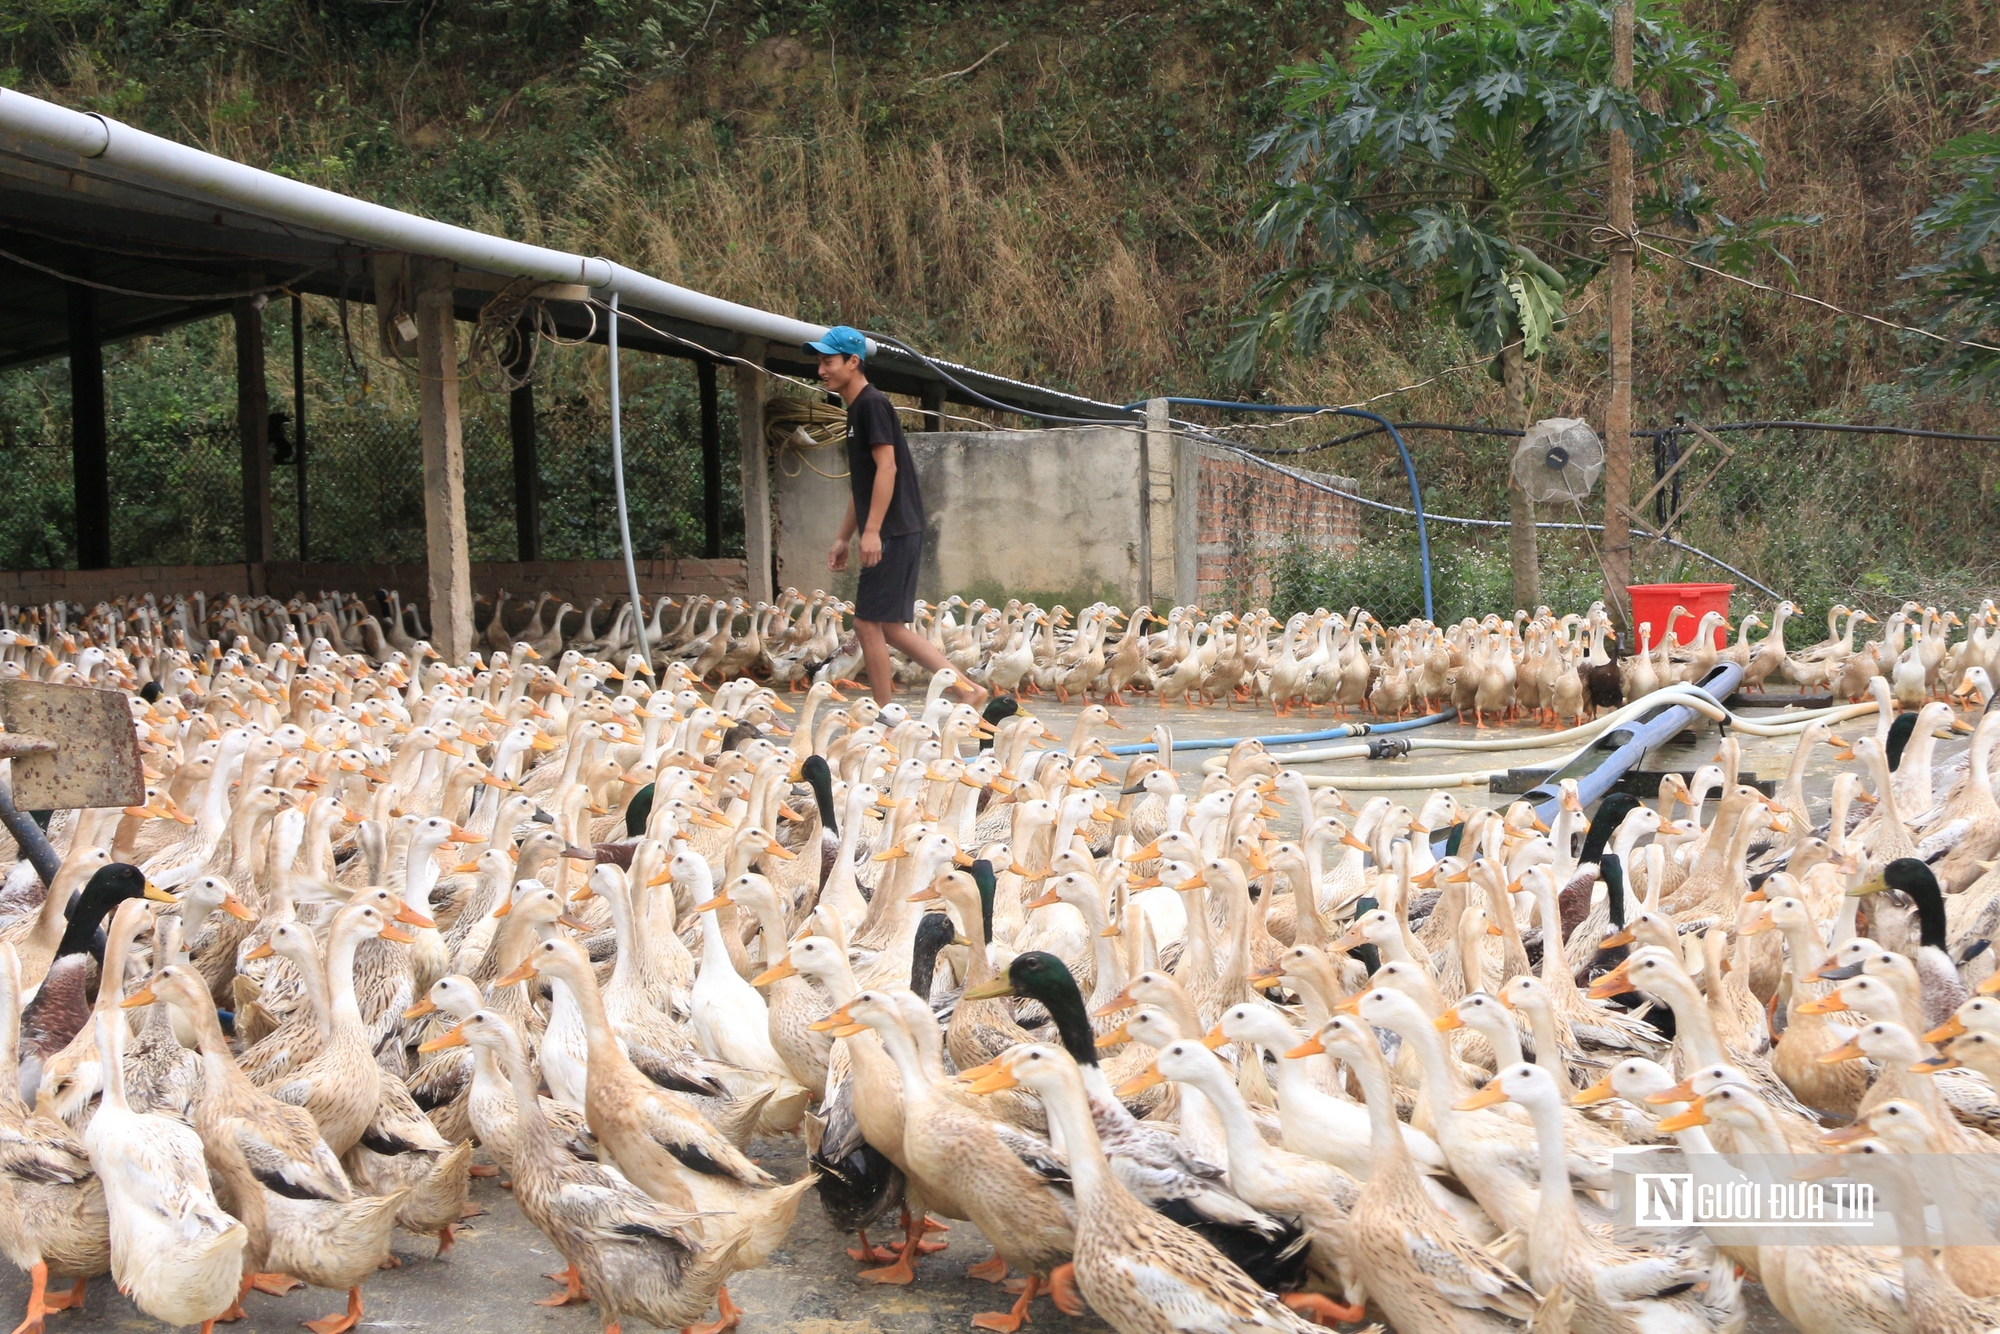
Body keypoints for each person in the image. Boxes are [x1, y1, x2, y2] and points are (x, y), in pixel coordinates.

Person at [811, 325, 986, 707]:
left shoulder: (871, 405)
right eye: (820, 362)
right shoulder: (857, 410)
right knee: (888, 626)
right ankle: (968, 691)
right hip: (895, 529)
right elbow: (865, 483)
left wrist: (872, 532)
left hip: (892, 530)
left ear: (853, 362)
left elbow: (886, 469)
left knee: (866, 623)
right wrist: (845, 536)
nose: (821, 370)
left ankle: (887, 715)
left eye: (828, 361)